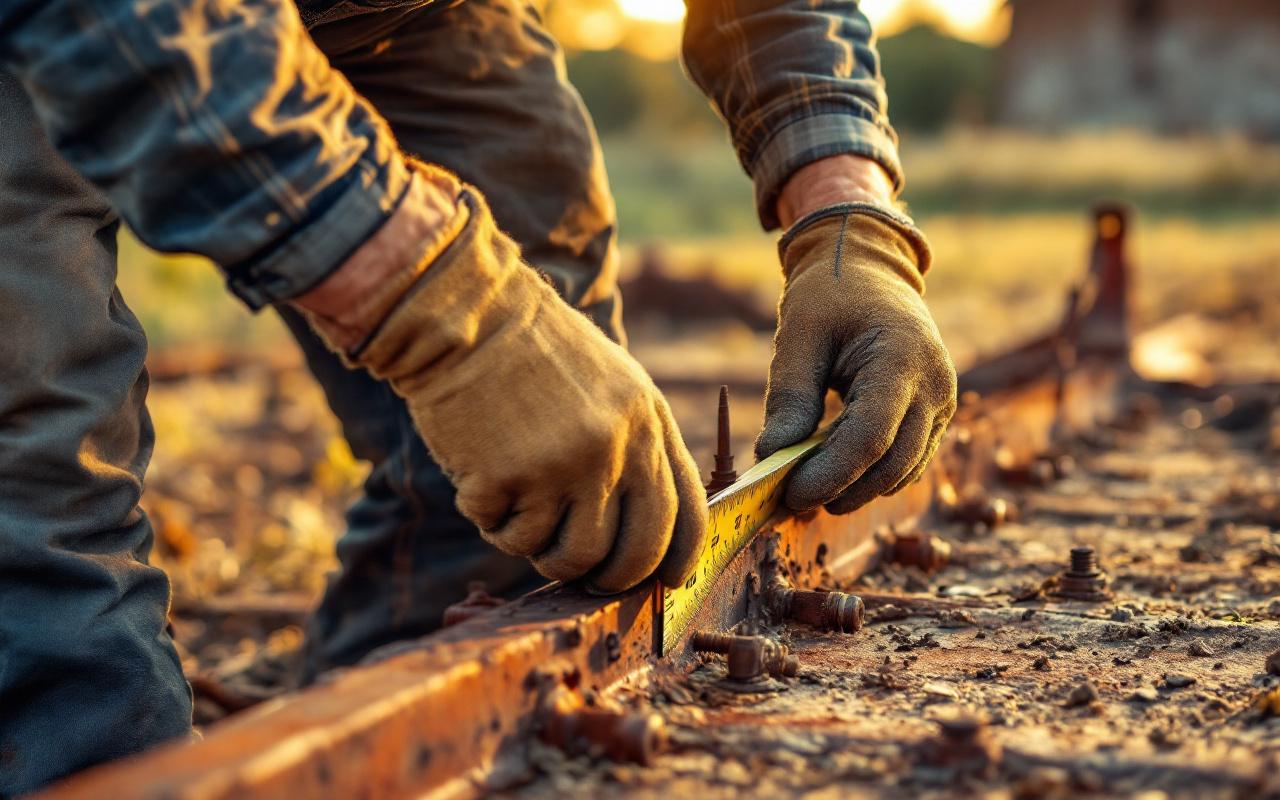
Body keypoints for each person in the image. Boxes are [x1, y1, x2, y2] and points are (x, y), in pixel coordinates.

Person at [0, 0, 956, 791]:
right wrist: (443, 309)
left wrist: (848, 212)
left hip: (410, 17)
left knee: (554, 488)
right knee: (37, 471)